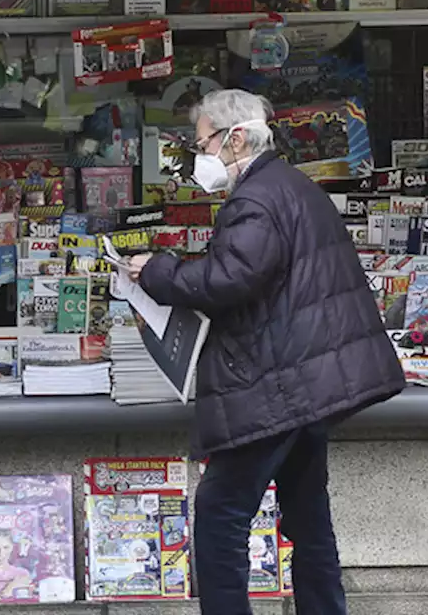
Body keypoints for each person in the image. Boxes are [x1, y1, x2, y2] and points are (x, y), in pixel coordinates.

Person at [122, 89, 403, 615]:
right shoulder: (290, 186)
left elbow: (232, 278)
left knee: (221, 509)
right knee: (306, 512)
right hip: (303, 376)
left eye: (201, 141)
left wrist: (158, 271)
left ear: (235, 138)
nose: (197, 154)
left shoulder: (256, 198)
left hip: (277, 380)